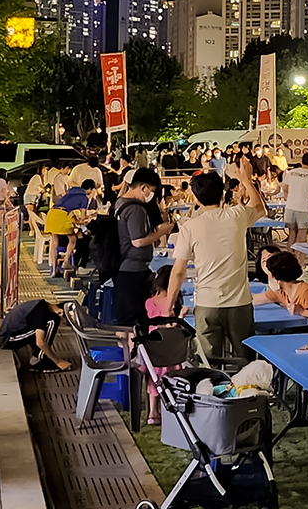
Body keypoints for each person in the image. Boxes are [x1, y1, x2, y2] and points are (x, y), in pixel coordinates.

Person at [164, 172, 266, 360]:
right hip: (239, 303)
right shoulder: (237, 215)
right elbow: (260, 207)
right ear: (222, 194)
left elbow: (178, 272)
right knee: (246, 361)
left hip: (207, 303)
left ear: (196, 199)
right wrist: (245, 179)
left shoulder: (190, 227)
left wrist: (169, 306)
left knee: (208, 364)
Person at [113, 169, 173, 327]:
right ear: (143, 187)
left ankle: (128, 342)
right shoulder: (135, 209)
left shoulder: (119, 202)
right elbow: (138, 241)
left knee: (126, 317)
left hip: (121, 267)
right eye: (151, 190)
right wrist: (162, 232)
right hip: (133, 270)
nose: (151, 194)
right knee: (136, 318)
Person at [143, 265, 187, 424]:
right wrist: (181, 316)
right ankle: (171, 410)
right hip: (168, 349)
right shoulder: (171, 304)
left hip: (151, 348)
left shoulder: (149, 302)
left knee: (153, 380)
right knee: (170, 378)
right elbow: (170, 326)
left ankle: (152, 413)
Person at [252, 251, 308, 330]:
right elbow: (255, 299)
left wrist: (302, 311)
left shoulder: (307, 292)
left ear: (275, 276)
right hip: (304, 329)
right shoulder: (280, 292)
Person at [0, 299, 72, 372]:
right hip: (7, 340)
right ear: (60, 312)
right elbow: (40, 342)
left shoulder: (41, 305)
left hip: (10, 335)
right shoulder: (41, 313)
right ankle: (37, 361)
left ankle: (39, 355)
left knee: (42, 328)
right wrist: (58, 361)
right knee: (52, 321)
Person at [45, 179, 100, 275]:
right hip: (62, 215)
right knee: (73, 239)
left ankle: (54, 270)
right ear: (90, 189)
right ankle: (66, 262)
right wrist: (89, 217)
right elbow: (83, 217)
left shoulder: (71, 192)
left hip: (52, 213)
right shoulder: (84, 197)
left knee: (54, 243)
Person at [281, 153, 308, 248]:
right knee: (302, 237)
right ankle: (300, 257)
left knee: (291, 234)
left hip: (290, 207)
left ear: (301, 161)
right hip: (303, 208)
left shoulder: (291, 173)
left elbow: (284, 188)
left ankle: (290, 256)